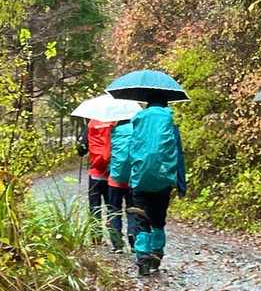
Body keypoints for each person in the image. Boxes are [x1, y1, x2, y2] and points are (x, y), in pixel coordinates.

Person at [116, 99, 186, 276]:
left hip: (140, 180)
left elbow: (129, 152)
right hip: (163, 179)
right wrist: (181, 184)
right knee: (158, 219)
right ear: (165, 105)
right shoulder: (170, 125)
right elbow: (178, 155)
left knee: (141, 219)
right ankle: (156, 253)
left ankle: (142, 260)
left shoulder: (138, 123)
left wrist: (126, 178)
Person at [76, 118, 116, 236]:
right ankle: (115, 237)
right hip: (111, 174)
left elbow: (81, 149)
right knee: (112, 207)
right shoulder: (114, 124)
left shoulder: (91, 124)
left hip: (95, 173)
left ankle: (96, 238)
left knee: (94, 207)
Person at [107, 115, 139, 253]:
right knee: (132, 209)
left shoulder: (114, 131)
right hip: (133, 179)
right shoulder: (137, 130)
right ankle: (133, 235)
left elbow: (108, 154)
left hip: (115, 179)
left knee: (114, 210)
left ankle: (117, 244)